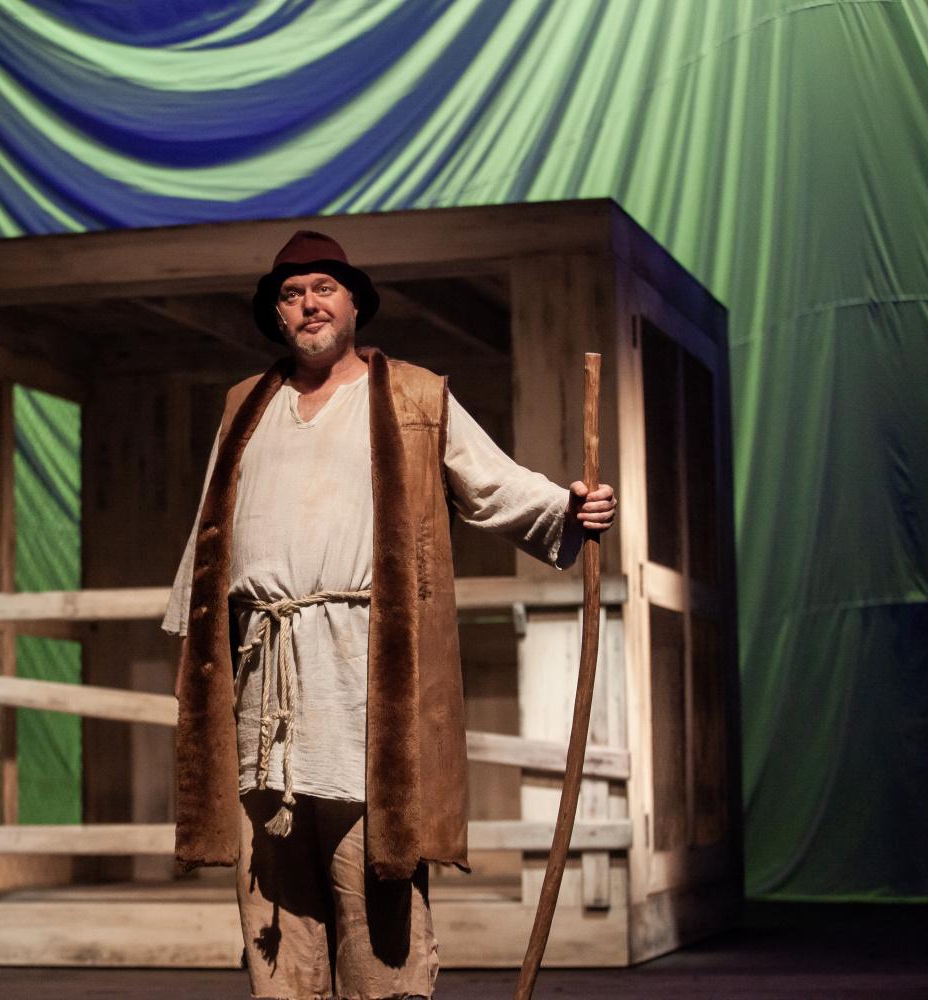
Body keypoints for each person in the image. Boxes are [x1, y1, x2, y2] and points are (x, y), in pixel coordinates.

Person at [163, 231, 617, 999]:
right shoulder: (247, 404)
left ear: (355, 304)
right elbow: (210, 534)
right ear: (277, 314)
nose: (308, 305)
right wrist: (196, 643)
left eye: (323, 289)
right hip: (265, 681)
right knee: (274, 894)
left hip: (364, 677)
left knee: (371, 873)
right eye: (291, 294)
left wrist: (568, 510)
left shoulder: (412, 395)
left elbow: (493, 483)